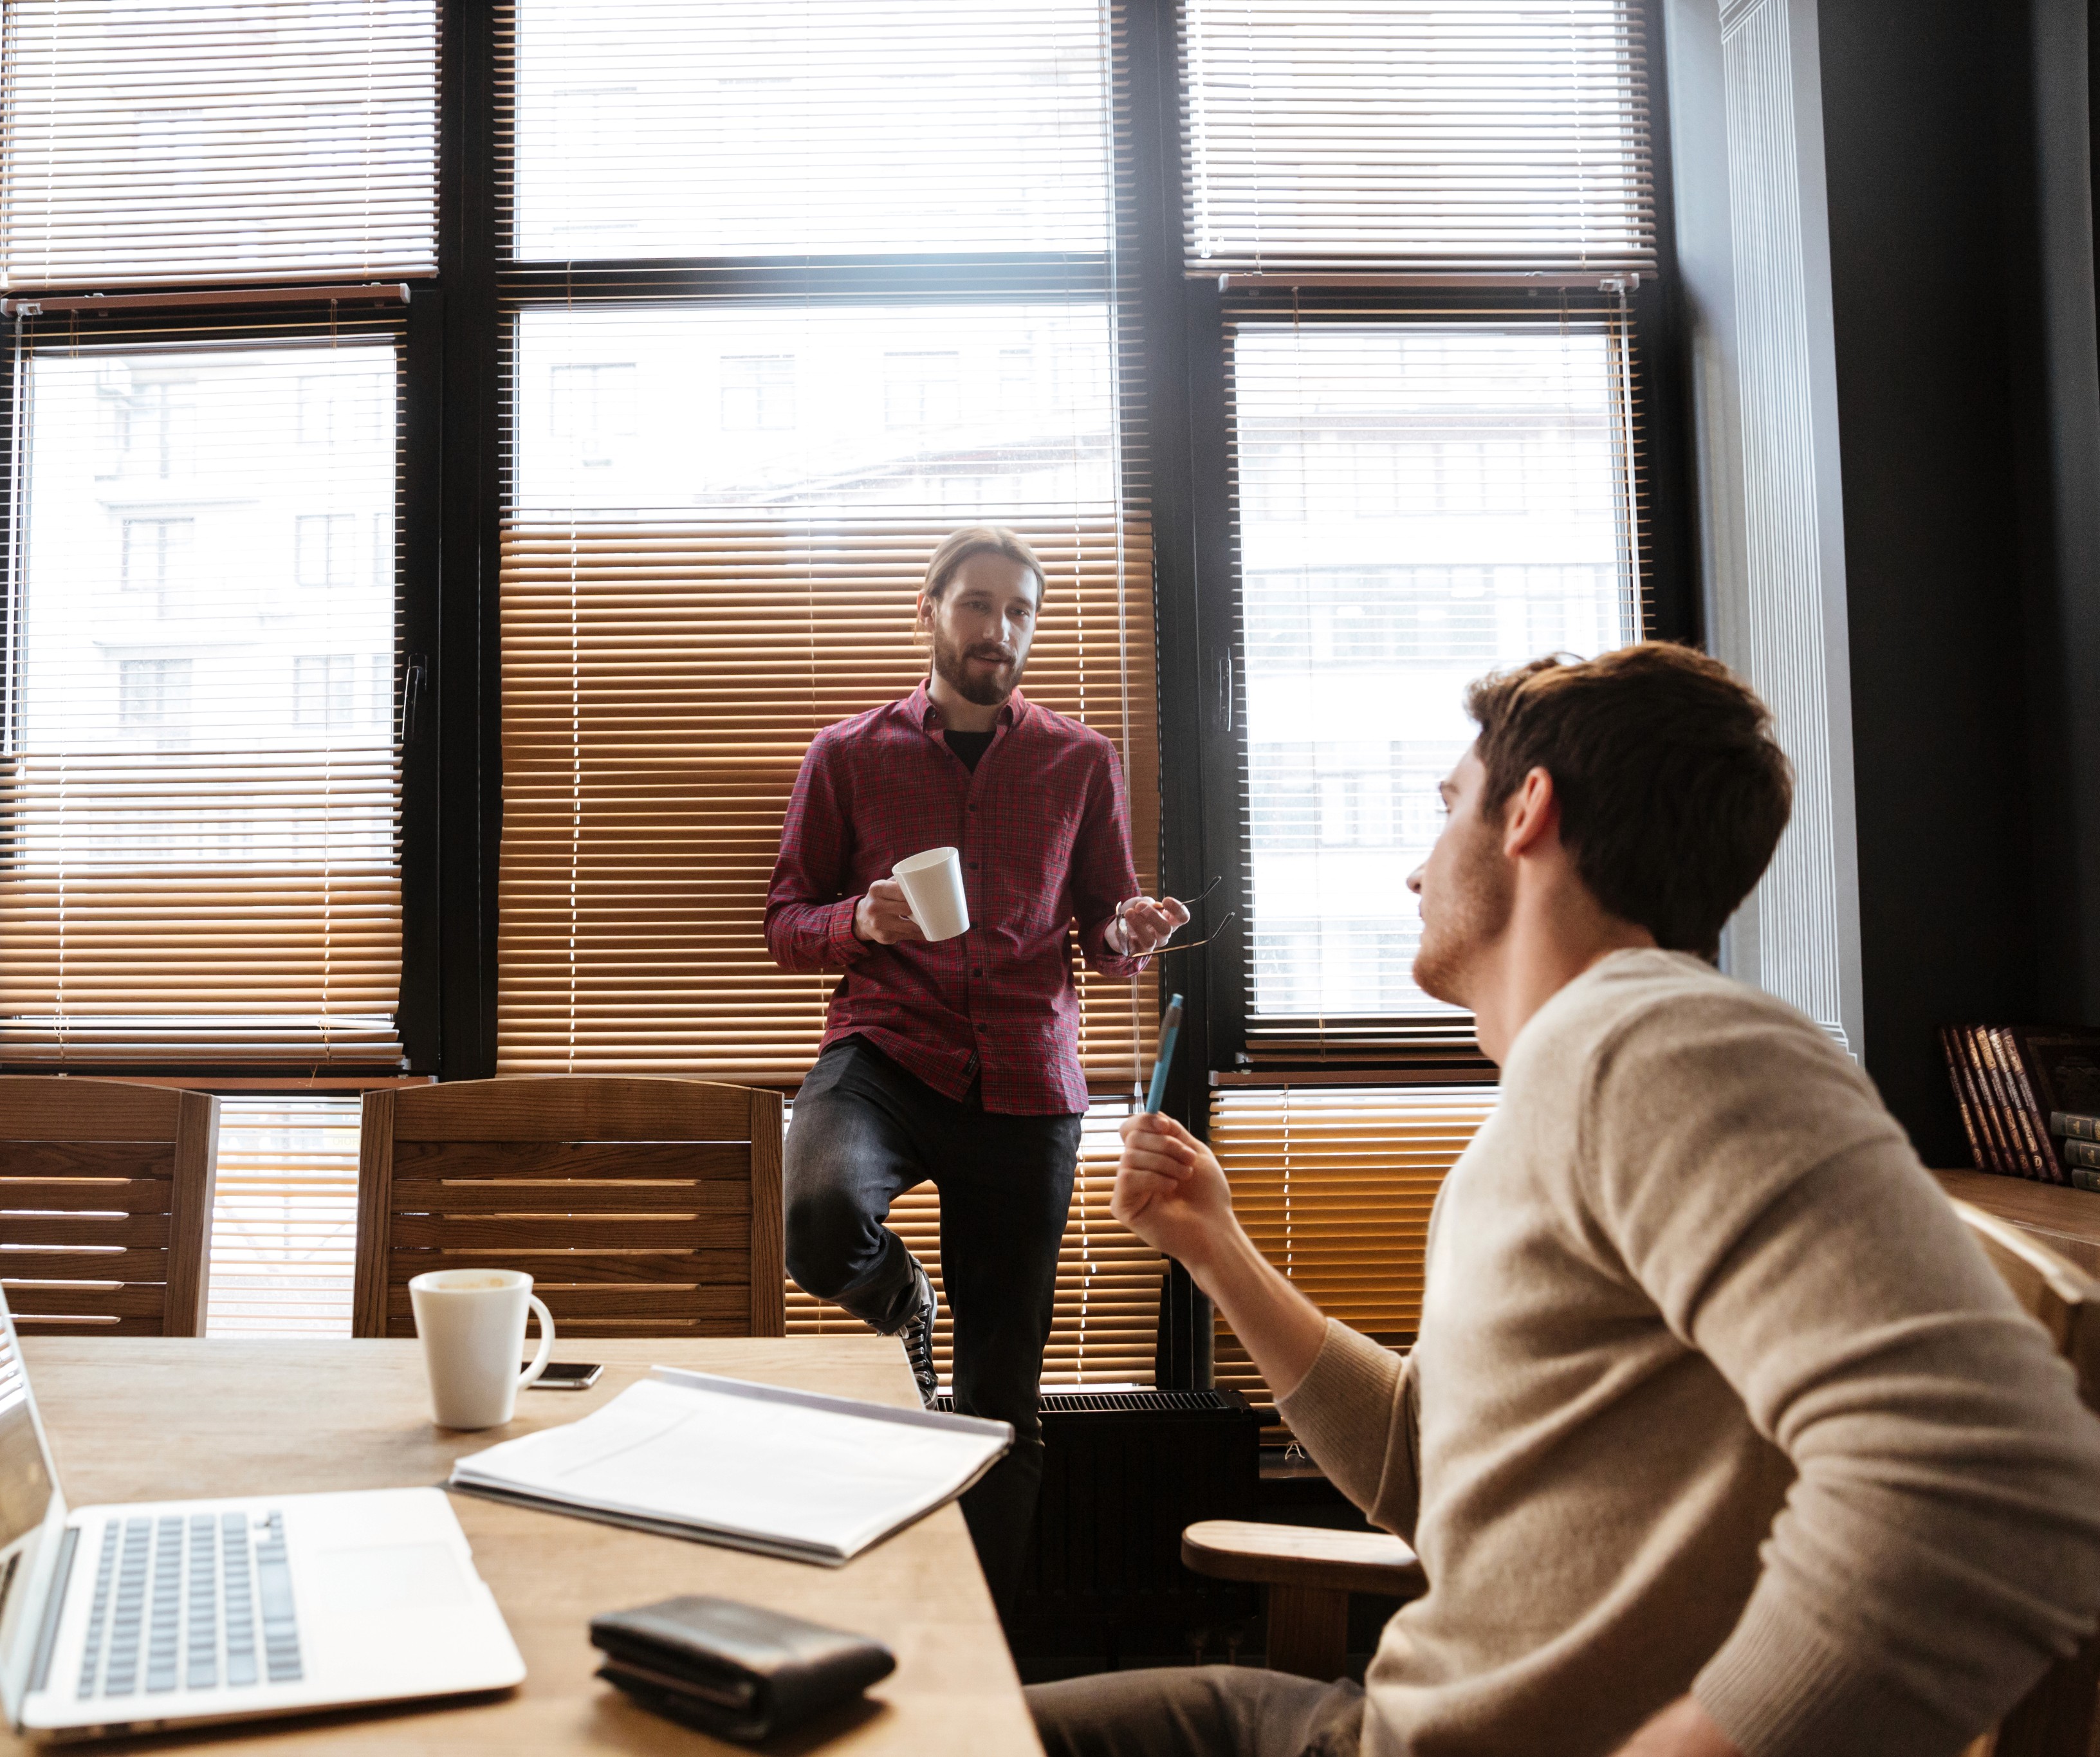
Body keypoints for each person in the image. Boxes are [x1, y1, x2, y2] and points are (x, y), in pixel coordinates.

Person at [1027, 643, 2100, 1757]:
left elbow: (1992, 1485)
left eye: (1449, 808)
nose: (1415, 871)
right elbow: (1430, 1464)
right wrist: (1216, 1250)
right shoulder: (1563, 1081)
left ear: (1529, 810)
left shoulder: (1656, 1042)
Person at [766, 526, 1189, 1600]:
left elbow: (1102, 930)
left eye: (1019, 611)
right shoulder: (848, 755)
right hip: (884, 1052)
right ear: (931, 612)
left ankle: (986, 1656)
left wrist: (1129, 934)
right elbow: (785, 923)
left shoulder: (1080, 760)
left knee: (1004, 1397)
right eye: (977, 605)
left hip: (1027, 1078)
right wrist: (860, 916)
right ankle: (903, 1295)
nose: (998, 629)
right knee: (815, 1220)